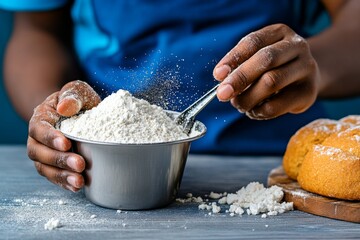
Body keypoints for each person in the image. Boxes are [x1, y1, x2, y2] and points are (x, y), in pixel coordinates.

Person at [1, 0, 360, 192]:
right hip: (103, 163)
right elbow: (37, 30)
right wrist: (57, 113)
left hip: (275, 162)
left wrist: (315, 67)